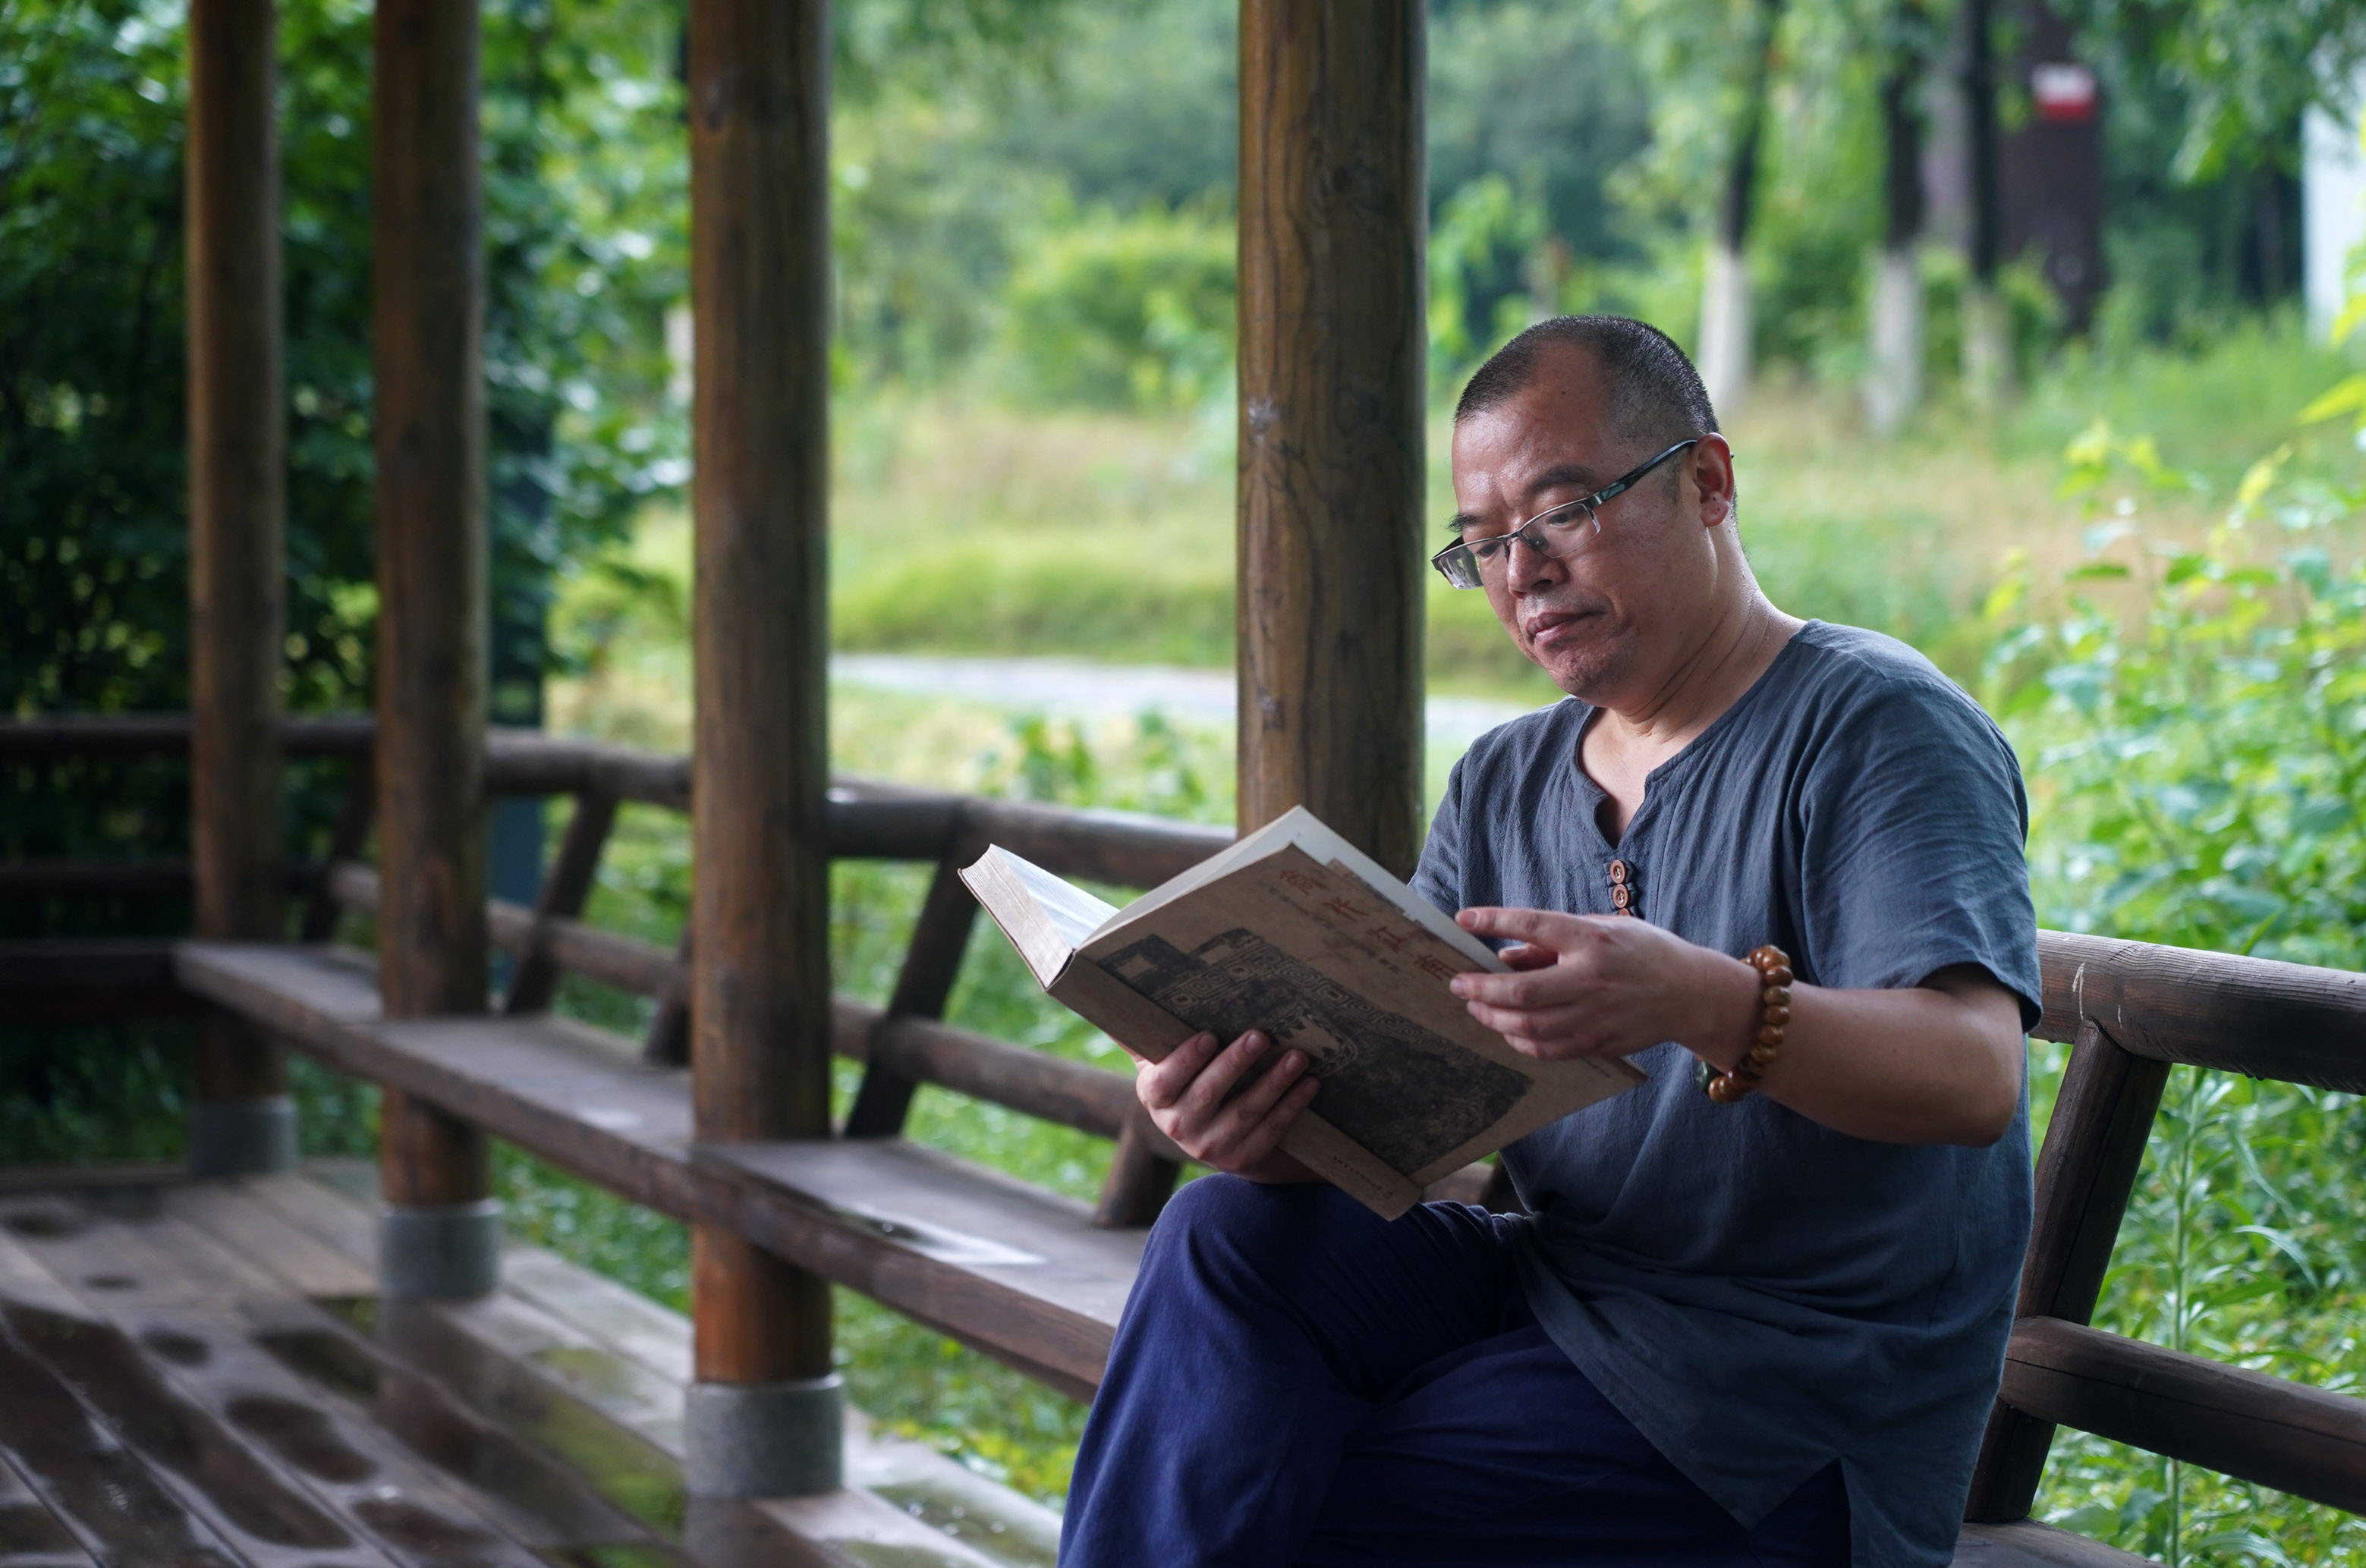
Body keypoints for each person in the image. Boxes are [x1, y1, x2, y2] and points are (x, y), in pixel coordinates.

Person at [1056, 316, 2042, 1568]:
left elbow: (1973, 1075)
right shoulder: (1507, 778)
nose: (1523, 573)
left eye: (1562, 513)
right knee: (1223, 1237)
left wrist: (1705, 1001)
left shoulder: (1874, 727)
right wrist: (1256, 1121)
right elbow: (1420, 1112)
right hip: (1552, 1299)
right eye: (1482, 547)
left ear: (1708, 482)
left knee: (1273, 1494)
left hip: (1780, 1398)